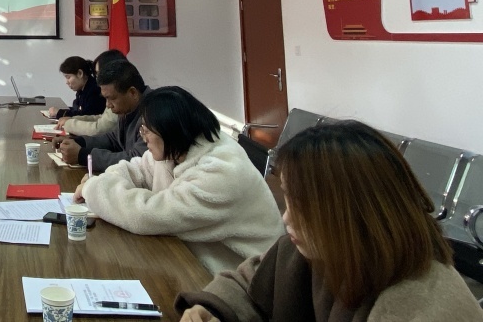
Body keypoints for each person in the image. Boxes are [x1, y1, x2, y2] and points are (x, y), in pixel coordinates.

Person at [176, 120, 483, 321]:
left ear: (354, 210)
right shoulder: (314, 249)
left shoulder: (423, 306)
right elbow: (248, 284)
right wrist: (212, 309)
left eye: (304, 205)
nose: (286, 217)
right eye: (289, 199)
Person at [78, 86, 283, 273]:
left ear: (169, 129)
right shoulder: (177, 147)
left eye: (146, 130)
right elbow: (136, 169)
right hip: (197, 259)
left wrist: (93, 189)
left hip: (245, 281)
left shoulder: (222, 171)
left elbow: (150, 215)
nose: (143, 137)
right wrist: (102, 182)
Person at [52, 58, 148, 172]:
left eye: (111, 98)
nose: (107, 105)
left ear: (132, 93)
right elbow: (113, 139)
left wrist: (83, 155)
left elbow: (137, 161)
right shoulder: (128, 107)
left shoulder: (152, 113)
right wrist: (78, 141)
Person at [61, 49, 124, 137]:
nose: (97, 79)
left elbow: (100, 129)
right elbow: (101, 118)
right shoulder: (83, 90)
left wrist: (69, 124)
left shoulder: (96, 90)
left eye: (98, 74)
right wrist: (72, 119)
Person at [47, 55, 105, 121]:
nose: (67, 82)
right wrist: (61, 111)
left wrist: (60, 113)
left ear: (80, 73)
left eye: (68, 77)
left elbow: (87, 116)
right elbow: (78, 110)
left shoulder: (94, 90)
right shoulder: (82, 90)